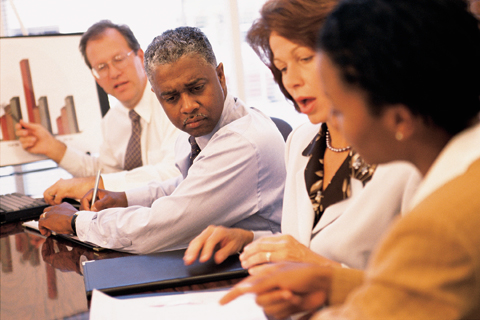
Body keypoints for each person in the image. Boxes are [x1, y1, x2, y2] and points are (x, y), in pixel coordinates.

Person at [220, 0, 480, 318]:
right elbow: (410, 290)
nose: (337, 124)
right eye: (282, 67)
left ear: (399, 119)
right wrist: (330, 282)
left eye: (341, 110)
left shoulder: (436, 224)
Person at [184, 0, 420, 271]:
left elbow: (417, 288)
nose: (291, 80)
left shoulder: (405, 153)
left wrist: (315, 267)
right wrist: (248, 239)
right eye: (282, 68)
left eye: (305, 59)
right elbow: (303, 243)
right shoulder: (301, 141)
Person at [37, 26, 286, 254]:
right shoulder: (199, 131)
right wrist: (124, 198)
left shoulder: (240, 143)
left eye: (197, 88)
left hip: (267, 267)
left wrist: (75, 221)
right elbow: (187, 183)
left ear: (220, 76)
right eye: (171, 98)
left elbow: (159, 228)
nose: (187, 106)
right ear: (157, 95)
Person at [15, 20, 180, 204]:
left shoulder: (173, 101)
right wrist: (53, 148)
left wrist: (95, 183)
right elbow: (106, 172)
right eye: (101, 67)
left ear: (140, 57)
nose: (113, 73)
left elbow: (173, 173)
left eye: (118, 59)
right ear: (96, 77)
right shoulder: (113, 120)